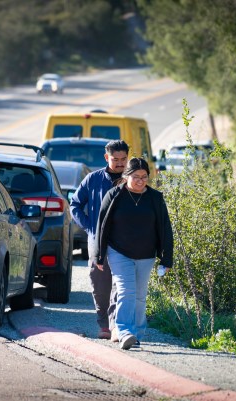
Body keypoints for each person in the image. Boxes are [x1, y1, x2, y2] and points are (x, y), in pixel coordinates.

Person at [92, 157, 174, 350]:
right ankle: (123, 331)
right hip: (119, 252)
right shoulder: (114, 196)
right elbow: (102, 226)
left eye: (144, 177)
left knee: (140, 296)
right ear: (126, 176)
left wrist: (166, 258)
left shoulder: (155, 198)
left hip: (146, 254)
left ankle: (136, 333)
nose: (140, 180)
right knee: (126, 291)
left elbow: (165, 228)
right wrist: (99, 255)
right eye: (136, 176)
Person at [70, 140, 129, 340]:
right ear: (106, 158)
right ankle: (103, 323)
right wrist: (90, 227)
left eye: (123, 159)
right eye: (115, 159)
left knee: (120, 284)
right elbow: (75, 205)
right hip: (98, 242)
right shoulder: (93, 180)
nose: (120, 163)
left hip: (125, 242)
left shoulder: (133, 180)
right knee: (101, 285)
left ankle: (115, 325)